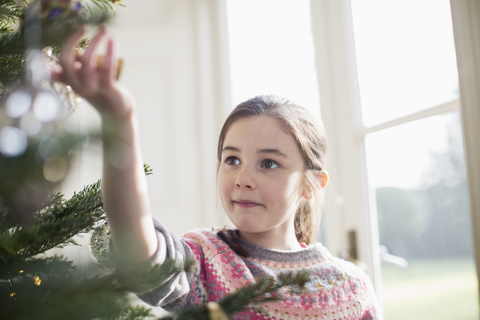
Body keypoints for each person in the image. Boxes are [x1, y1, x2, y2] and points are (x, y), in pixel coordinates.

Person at [53, 27, 380, 320]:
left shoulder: (352, 288)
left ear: (311, 184)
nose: (243, 178)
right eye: (232, 159)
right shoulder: (205, 261)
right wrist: (119, 118)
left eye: (268, 163)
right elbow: (137, 248)